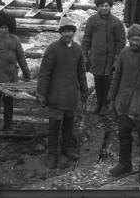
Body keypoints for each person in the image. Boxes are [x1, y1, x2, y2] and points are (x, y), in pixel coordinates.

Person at [107, 24, 140, 185]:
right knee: (123, 135)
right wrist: (112, 99)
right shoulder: (124, 53)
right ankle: (125, 164)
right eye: (132, 39)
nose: (134, 42)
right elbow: (117, 77)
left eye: (137, 40)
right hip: (124, 104)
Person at [36, 16, 88, 169]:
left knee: (68, 124)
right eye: (65, 31)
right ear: (61, 32)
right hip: (56, 95)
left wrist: (84, 90)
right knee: (54, 126)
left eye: (70, 31)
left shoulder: (78, 50)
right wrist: (41, 93)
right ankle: (52, 153)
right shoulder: (53, 49)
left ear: (74, 32)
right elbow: (44, 72)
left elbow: (81, 72)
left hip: (71, 95)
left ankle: (66, 149)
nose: (68, 34)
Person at [0, 11, 31, 131]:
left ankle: (8, 124)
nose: (4, 30)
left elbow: (21, 57)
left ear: (10, 27)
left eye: (6, 27)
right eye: (1, 27)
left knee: (9, 101)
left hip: (11, 77)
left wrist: (27, 73)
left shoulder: (15, 39)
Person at [81, 0, 126, 116]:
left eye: (106, 6)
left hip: (109, 58)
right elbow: (86, 39)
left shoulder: (116, 22)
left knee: (107, 81)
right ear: (97, 7)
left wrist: (117, 59)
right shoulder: (92, 20)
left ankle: (106, 104)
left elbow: (121, 43)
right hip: (96, 57)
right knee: (97, 80)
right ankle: (99, 103)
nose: (104, 8)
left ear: (110, 6)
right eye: (101, 6)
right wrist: (84, 55)